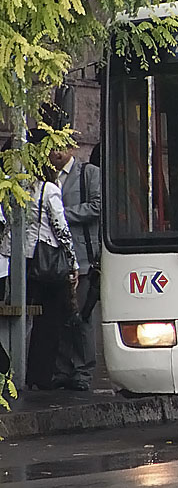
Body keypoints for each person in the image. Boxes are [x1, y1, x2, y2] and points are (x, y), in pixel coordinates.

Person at [0, 162, 79, 389]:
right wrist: (72, 262)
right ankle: (40, 375)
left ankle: (13, 372)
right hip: (47, 261)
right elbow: (60, 228)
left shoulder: (16, 189)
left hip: (20, 259)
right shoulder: (49, 189)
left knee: (20, 318)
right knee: (49, 321)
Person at [50, 146, 101, 392]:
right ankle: (63, 369)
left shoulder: (88, 173)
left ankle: (83, 371)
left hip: (83, 258)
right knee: (61, 317)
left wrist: (62, 214)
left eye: (61, 147)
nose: (56, 153)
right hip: (55, 257)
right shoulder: (49, 176)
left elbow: (97, 207)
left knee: (82, 317)